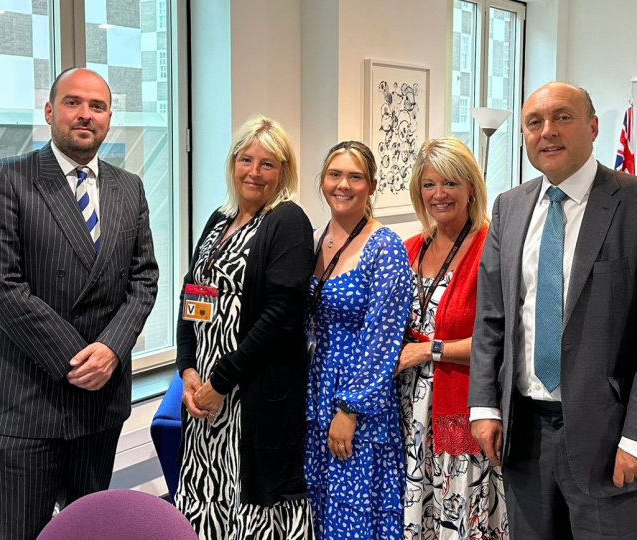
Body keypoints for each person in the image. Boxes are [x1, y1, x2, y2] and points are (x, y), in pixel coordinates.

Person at [468, 82, 637, 539]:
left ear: (592, 127)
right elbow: (492, 319)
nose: (547, 131)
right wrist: (484, 406)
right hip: (523, 435)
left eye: (563, 117)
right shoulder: (509, 207)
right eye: (534, 122)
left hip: (609, 440)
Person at [0, 67, 159, 540]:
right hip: (25, 398)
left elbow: (144, 279)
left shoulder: (128, 187)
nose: (85, 114)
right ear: (51, 111)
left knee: (90, 530)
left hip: (99, 400)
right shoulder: (8, 178)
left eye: (97, 106)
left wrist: (112, 351)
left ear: (109, 117)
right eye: (73, 102)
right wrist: (77, 358)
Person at [175, 114, 315, 539]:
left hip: (251, 396)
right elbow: (191, 296)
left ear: (284, 172)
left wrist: (220, 381)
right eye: (246, 160)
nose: (254, 172)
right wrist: (187, 370)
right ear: (233, 162)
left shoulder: (287, 221)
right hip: (205, 400)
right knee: (207, 497)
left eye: (268, 164)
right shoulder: (219, 220)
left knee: (252, 509)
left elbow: (280, 316)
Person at [397, 137, 507, 539]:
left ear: (471, 188)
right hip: (407, 411)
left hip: (463, 407)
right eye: (429, 185)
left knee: (459, 515)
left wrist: (430, 350)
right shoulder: (408, 248)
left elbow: (501, 341)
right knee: (417, 511)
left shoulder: (492, 248)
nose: (439, 194)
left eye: (450, 184)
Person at [304, 141, 414, 540]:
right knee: (320, 505)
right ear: (322, 181)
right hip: (318, 390)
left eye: (355, 176)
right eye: (335, 174)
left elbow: (384, 339)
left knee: (355, 513)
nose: (343, 185)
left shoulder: (385, 248)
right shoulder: (315, 239)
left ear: (371, 185)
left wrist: (350, 410)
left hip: (359, 399)